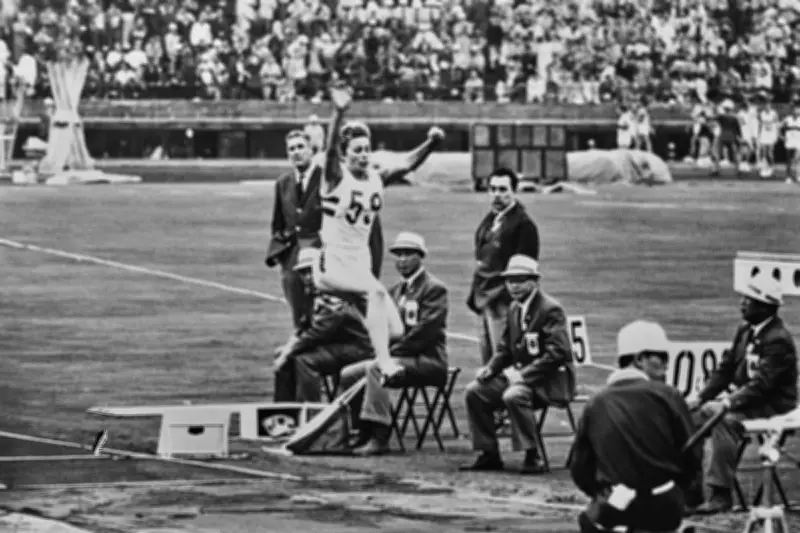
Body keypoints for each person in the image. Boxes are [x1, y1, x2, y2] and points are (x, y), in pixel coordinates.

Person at [315, 82, 445, 379]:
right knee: (375, 294)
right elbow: (330, 147)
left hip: (359, 264)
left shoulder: (376, 177)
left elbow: (407, 164)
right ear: (345, 154)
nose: (363, 155)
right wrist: (337, 113)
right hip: (333, 263)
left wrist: (431, 144)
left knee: (395, 329)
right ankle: (384, 364)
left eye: (366, 149)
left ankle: (357, 360)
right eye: (357, 151)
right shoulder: (336, 177)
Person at [570, 320, 701, 533]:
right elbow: (693, 454)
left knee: (591, 519)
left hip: (616, 505)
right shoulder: (668, 395)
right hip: (665, 505)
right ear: (640, 359)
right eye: (662, 358)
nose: (667, 366)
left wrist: (599, 492)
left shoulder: (595, 403)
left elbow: (580, 468)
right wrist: (688, 495)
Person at [687, 272, 797, 515]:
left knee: (725, 421)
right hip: (747, 401)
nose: (742, 303)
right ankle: (691, 490)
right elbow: (725, 369)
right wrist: (700, 397)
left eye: (749, 299)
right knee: (691, 418)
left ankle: (720, 494)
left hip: (773, 405)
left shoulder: (778, 340)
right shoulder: (745, 330)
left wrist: (729, 401)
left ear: (766, 306)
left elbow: (763, 385)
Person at [461, 255, 574, 474]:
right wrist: (491, 368)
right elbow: (505, 348)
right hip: (524, 378)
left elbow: (558, 352)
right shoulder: (514, 308)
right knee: (474, 391)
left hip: (550, 380)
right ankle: (488, 452)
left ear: (535, 281)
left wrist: (524, 375)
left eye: (520, 280)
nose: (514, 286)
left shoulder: (550, 309)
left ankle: (532, 454)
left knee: (514, 395)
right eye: (510, 281)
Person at [339, 231, 449, 456]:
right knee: (348, 373)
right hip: (400, 358)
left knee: (376, 368)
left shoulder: (434, 289)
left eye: (408, 254)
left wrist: (388, 355)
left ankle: (380, 436)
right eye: (398, 255)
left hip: (427, 360)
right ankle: (362, 429)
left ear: (421, 256)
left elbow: (425, 332)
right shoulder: (395, 290)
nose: (402, 260)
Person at [265, 129, 384, 328]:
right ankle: (299, 352)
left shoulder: (331, 177)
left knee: (330, 317)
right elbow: (278, 223)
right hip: (293, 262)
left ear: (312, 151)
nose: (296, 152)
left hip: (326, 259)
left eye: (301, 147)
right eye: (291, 149)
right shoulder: (283, 183)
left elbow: (366, 220)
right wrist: (282, 254)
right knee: (299, 317)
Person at [273, 248, 374, 403]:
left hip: (359, 347)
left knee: (305, 360)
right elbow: (303, 327)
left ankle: (310, 412)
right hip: (336, 344)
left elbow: (317, 333)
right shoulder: (313, 291)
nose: (307, 277)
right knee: (285, 354)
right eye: (303, 273)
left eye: (310, 271)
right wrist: (286, 350)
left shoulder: (333, 292)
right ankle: (283, 412)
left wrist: (288, 353)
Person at [467, 167, 539, 365]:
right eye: (492, 189)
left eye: (502, 189)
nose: (497, 195)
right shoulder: (491, 220)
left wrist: (512, 301)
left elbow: (526, 271)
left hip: (503, 302)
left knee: (502, 358)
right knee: (487, 357)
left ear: (514, 191)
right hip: (484, 299)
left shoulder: (524, 225)